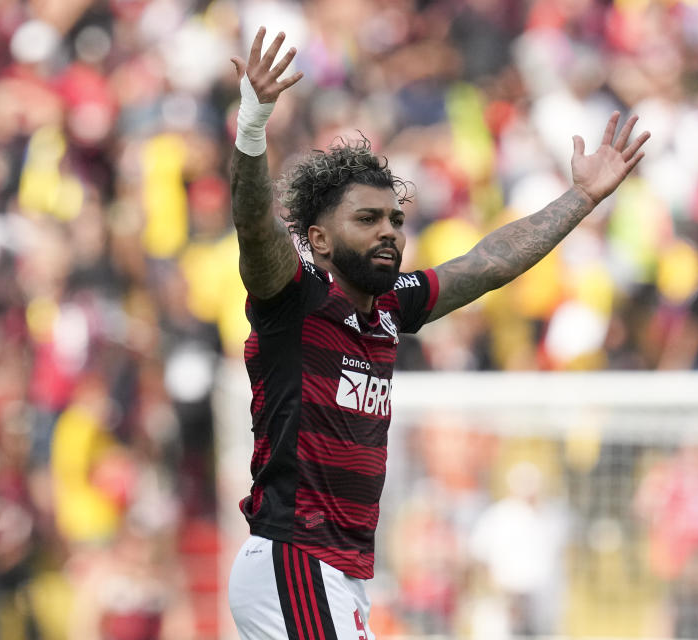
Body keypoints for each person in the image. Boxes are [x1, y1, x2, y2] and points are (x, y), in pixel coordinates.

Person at [225, 27, 650, 640]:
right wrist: (254, 125)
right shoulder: (293, 302)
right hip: (295, 557)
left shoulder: (393, 306)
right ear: (318, 239)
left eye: (395, 220)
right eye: (367, 220)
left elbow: (489, 262)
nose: (389, 232)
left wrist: (580, 197)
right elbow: (253, 228)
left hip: (338, 572)